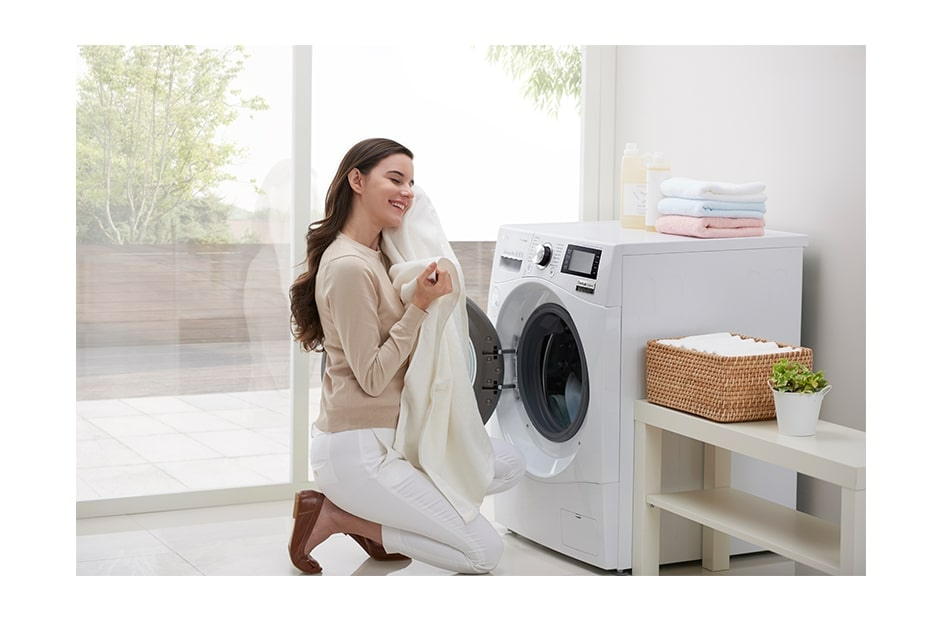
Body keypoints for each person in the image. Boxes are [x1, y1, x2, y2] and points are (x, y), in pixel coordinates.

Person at [287, 137, 525, 575]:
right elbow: (373, 377)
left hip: (396, 435)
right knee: (482, 554)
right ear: (356, 181)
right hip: (359, 449)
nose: (407, 192)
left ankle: (380, 513)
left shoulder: (383, 254)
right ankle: (343, 515)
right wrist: (417, 306)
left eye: (412, 182)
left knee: (508, 464)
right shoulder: (348, 267)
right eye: (395, 179)